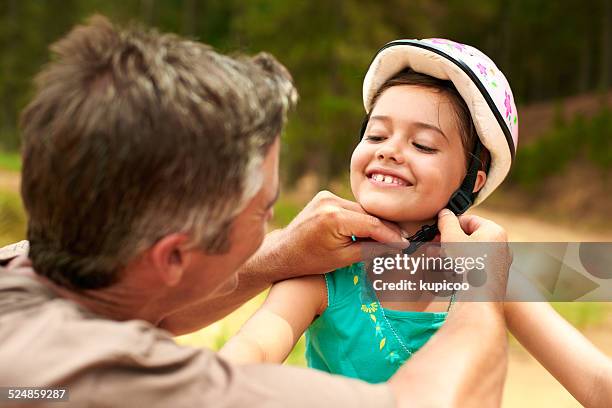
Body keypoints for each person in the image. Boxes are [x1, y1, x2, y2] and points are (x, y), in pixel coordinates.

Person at [0, 18, 511, 407]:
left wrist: (282, 255)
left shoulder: (19, 279)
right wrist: (482, 284)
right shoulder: (133, 390)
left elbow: (158, 306)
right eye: (267, 211)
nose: (286, 228)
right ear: (173, 256)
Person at [220, 38, 612, 405]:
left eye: (422, 144)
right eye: (375, 136)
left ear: (470, 182)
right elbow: (253, 349)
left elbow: (596, 382)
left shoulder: (488, 272)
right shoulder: (323, 268)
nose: (389, 151)